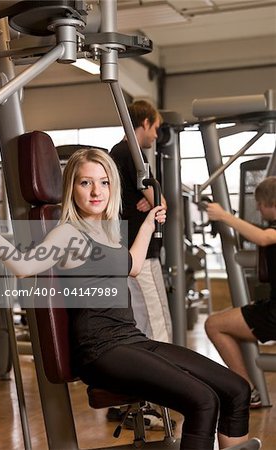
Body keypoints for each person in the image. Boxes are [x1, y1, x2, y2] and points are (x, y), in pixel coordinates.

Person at [0, 148, 251, 450]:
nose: (96, 192)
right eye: (85, 183)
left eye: (104, 182)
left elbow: (132, 266)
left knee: (236, 389)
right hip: (100, 348)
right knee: (203, 400)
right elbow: (23, 267)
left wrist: (148, 224)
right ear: (71, 188)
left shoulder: (108, 231)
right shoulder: (68, 234)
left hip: (131, 339)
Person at [205, 176, 276, 409]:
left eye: (259, 203)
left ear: (270, 203)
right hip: (270, 306)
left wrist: (224, 216)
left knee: (213, 324)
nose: (257, 207)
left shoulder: (270, 232)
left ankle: (247, 391)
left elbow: (264, 237)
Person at [110, 100, 172, 343]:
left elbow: (149, 199)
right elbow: (162, 203)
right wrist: (157, 202)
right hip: (142, 251)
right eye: (155, 128)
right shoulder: (133, 154)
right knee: (157, 318)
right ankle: (170, 375)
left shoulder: (115, 152)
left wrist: (151, 200)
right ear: (144, 123)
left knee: (141, 318)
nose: (156, 135)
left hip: (128, 250)